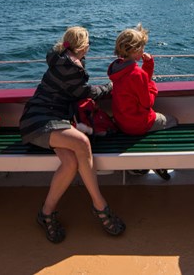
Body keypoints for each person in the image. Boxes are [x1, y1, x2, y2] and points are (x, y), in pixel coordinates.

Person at [19, 26, 125, 244]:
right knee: (83, 143)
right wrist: (110, 87)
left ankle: (46, 213)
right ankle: (99, 205)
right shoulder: (72, 67)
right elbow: (85, 93)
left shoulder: (61, 59)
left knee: (69, 163)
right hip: (40, 121)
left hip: (51, 119)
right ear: (84, 47)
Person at [107, 24, 177, 180]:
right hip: (138, 123)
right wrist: (152, 87)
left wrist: (148, 65)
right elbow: (147, 103)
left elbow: (138, 81)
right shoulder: (137, 73)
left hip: (122, 122)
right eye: (142, 47)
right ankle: (157, 162)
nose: (144, 49)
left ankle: (143, 164)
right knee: (173, 121)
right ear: (135, 50)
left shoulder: (116, 67)